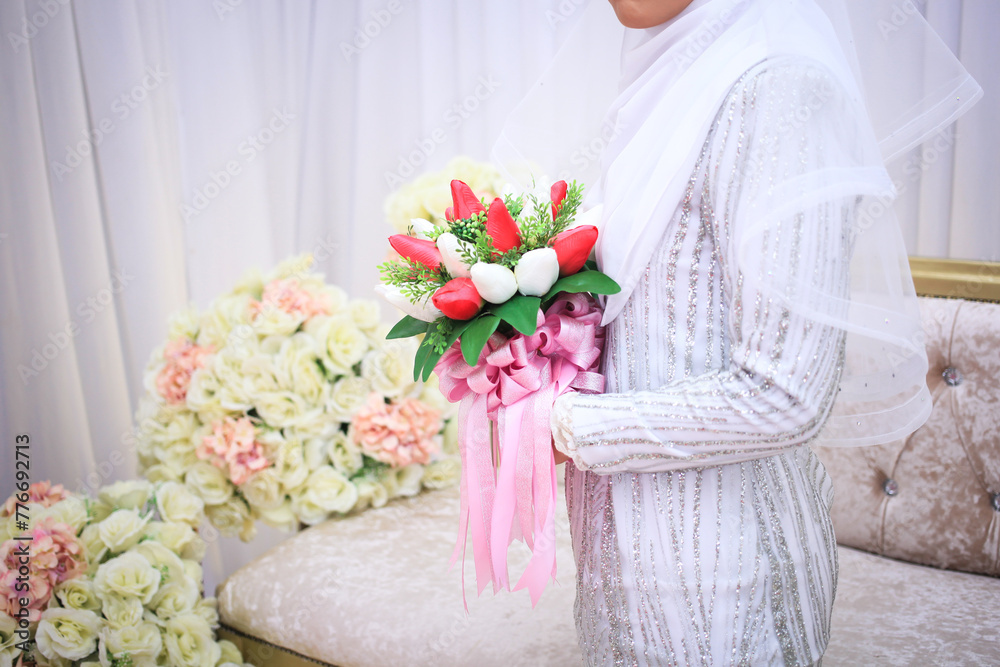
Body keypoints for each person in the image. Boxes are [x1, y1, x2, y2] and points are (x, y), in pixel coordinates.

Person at [504, 0, 984, 664]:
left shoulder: (783, 92)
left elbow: (786, 394)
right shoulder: (663, 82)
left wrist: (566, 425)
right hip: (619, 565)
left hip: (728, 584)